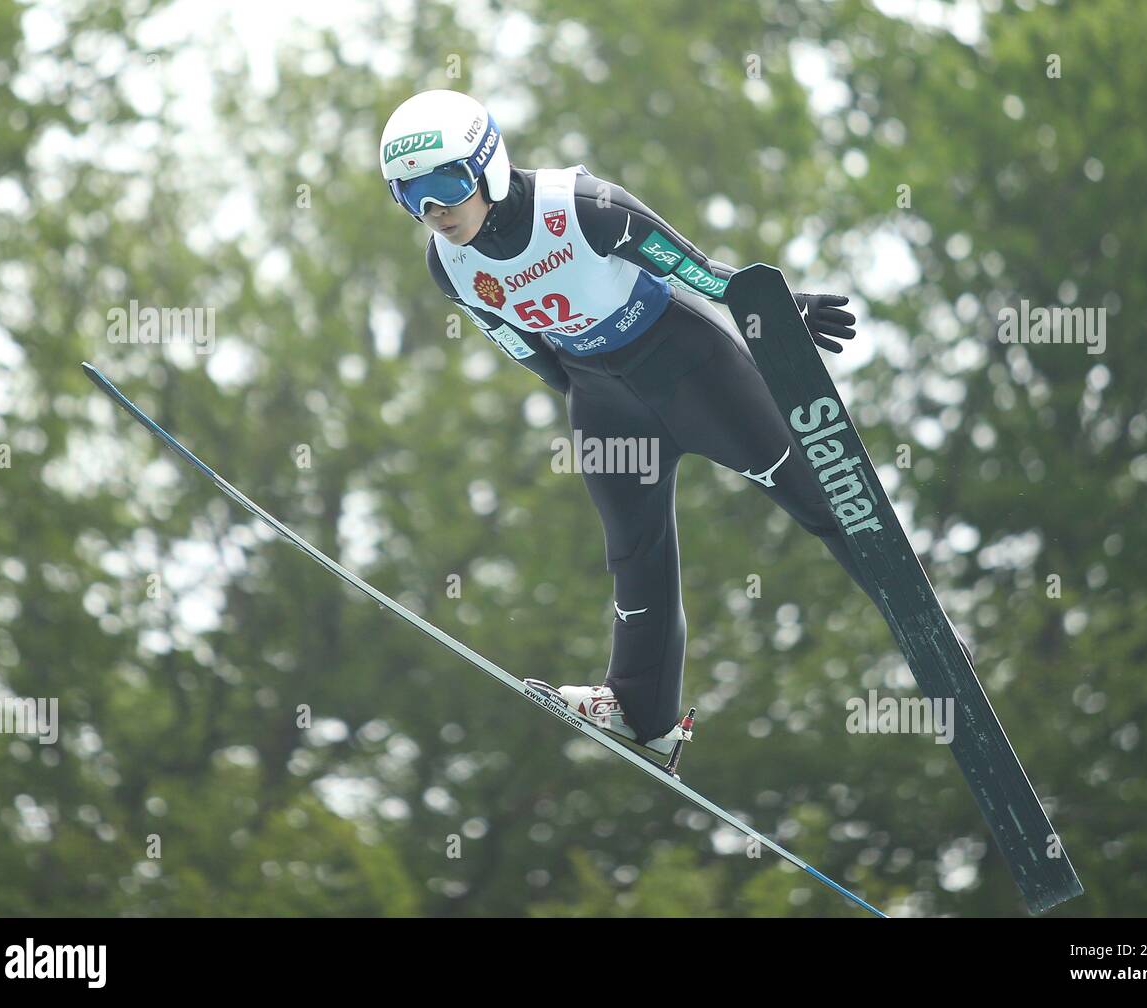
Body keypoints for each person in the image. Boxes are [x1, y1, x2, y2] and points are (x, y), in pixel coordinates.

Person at [379, 89, 890, 756]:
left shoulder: (584, 208)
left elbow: (697, 272)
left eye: (444, 184)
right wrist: (588, 393)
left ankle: (925, 629)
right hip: (604, 403)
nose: (433, 211)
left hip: (690, 371)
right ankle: (643, 714)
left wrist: (779, 307)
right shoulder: (449, 264)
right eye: (408, 195)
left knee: (819, 503)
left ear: (488, 166)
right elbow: (522, 347)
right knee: (634, 553)